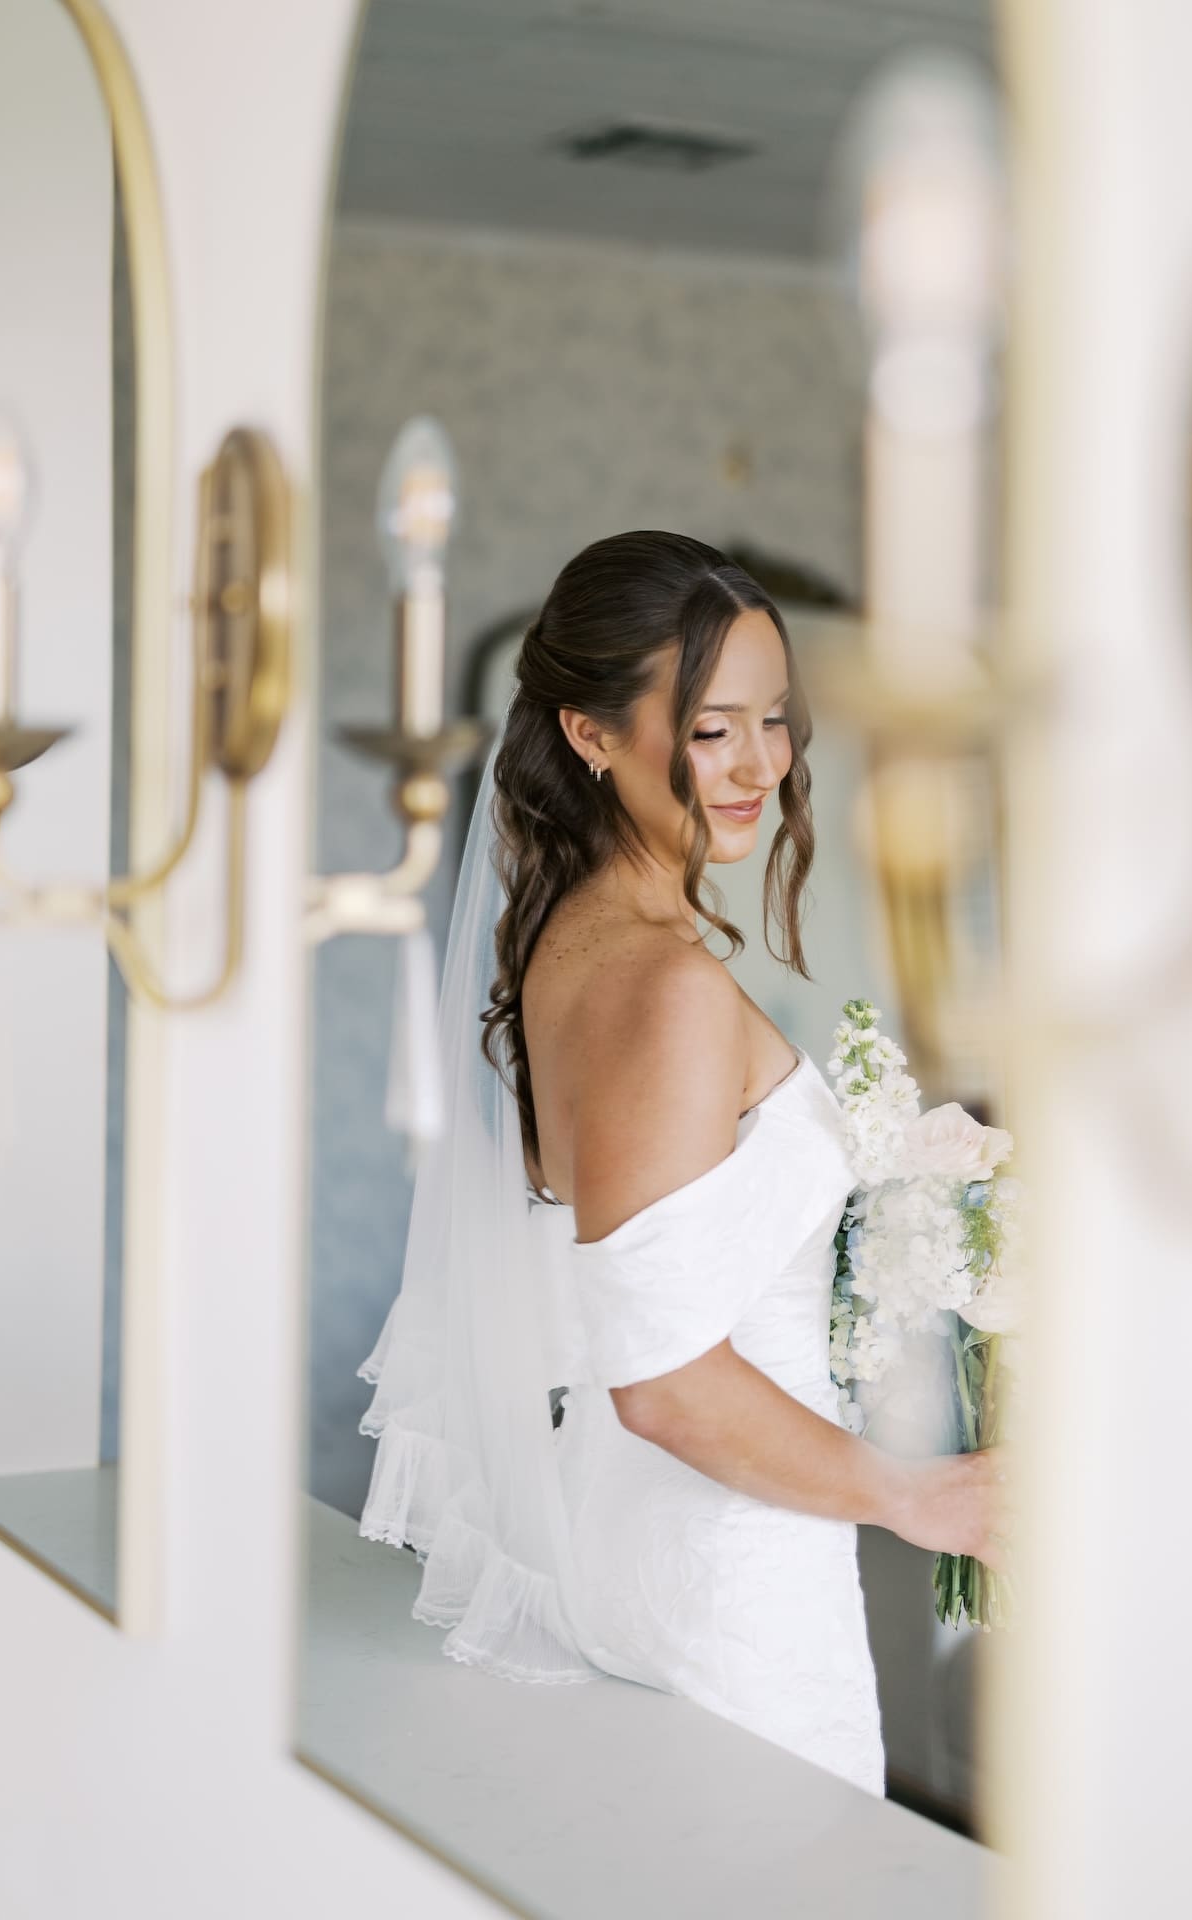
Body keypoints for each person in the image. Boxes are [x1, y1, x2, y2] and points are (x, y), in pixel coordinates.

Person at [358, 530, 1004, 1797]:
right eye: (713, 729)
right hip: (734, 1577)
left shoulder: (573, 943)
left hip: (642, 1541)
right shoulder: (665, 989)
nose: (763, 764)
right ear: (589, 734)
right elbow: (657, 1376)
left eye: (776, 719)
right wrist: (915, 1497)